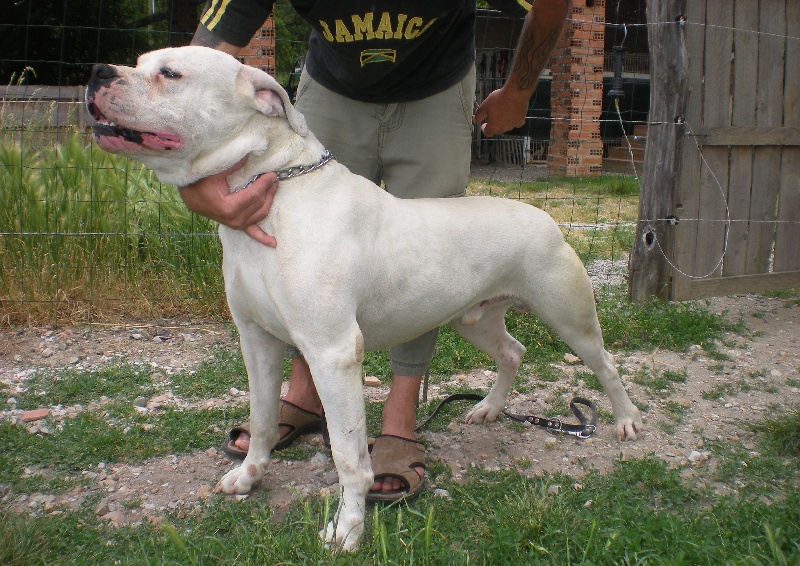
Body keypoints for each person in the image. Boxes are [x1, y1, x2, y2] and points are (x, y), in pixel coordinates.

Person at [181, 0, 569, 502]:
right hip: (334, 83)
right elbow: (200, 61)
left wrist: (518, 91)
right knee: (304, 246)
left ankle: (399, 418)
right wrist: (193, 178)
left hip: (436, 84)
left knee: (428, 255)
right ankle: (305, 394)